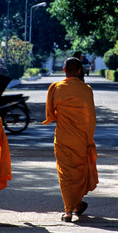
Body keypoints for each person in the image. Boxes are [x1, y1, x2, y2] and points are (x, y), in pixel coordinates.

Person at [43, 57, 98, 222]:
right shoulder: (86, 90)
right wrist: (89, 138)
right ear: (80, 71)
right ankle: (77, 205)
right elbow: (91, 118)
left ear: (64, 70)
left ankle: (69, 211)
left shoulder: (56, 88)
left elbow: (50, 115)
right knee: (79, 171)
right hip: (81, 138)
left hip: (63, 138)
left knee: (65, 174)